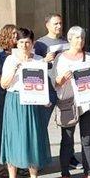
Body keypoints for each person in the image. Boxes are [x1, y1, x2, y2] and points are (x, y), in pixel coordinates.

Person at [0, 27, 52, 178]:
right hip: (15, 100)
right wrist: (16, 68)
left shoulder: (37, 59)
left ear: (33, 43)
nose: (24, 45)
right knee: (14, 137)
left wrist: (45, 99)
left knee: (33, 136)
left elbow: (42, 83)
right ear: (17, 42)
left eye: (27, 42)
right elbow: (3, 84)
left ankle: (34, 177)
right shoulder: (10, 60)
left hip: (33, 100)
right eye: (21, 42)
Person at [53, 26, 90, 178]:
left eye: (82, 37)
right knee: (67, 139)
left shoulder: (89, 58)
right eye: (76, 38)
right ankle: (65, 174)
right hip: (68, 102)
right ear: (69, 39)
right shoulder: (61, 58)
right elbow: (54, 82)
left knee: (87, 139)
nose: (80, 41)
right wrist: (61, 80)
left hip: (87, 102)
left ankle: (88, 173)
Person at [34, 13, 78, 168]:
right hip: (48, 89)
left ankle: (69, 156)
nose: (59, 26)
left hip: (66, 89)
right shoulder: (39, 44)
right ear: (47, 25)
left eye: (60, 23)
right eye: (56, 24)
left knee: (68, 125)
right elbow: (33, 67)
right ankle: (38, 158)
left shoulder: (67, 42)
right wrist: (44, 61)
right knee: (41, 124)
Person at [0, 24, 17, 178]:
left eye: (17, 34)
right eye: (13, 34)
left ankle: (19, 162)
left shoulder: (22, 54)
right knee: (3, 129)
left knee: (17, 129)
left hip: (19, 96)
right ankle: (3, 163)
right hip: (3, 96)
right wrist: (10, 74)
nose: (16, 37)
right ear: (6, 36)